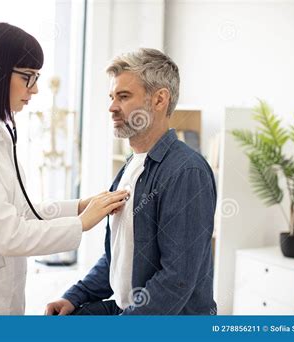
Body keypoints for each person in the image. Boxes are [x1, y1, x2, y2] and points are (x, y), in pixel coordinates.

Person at [0, 23, 128, 315]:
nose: (35, 88)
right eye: (28, 77)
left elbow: (20, 211)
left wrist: (79, 206)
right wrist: (82, 223)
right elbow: (8, 233)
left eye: (37, 77)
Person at [45, 48, 217, 315]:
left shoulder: (186, 171)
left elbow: (176, 280)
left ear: (159, 100)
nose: (112, 107)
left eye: (124, 96)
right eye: (112, 97)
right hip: (128, 309)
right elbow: (119, 256)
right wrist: (74, 297)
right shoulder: (130, 167)